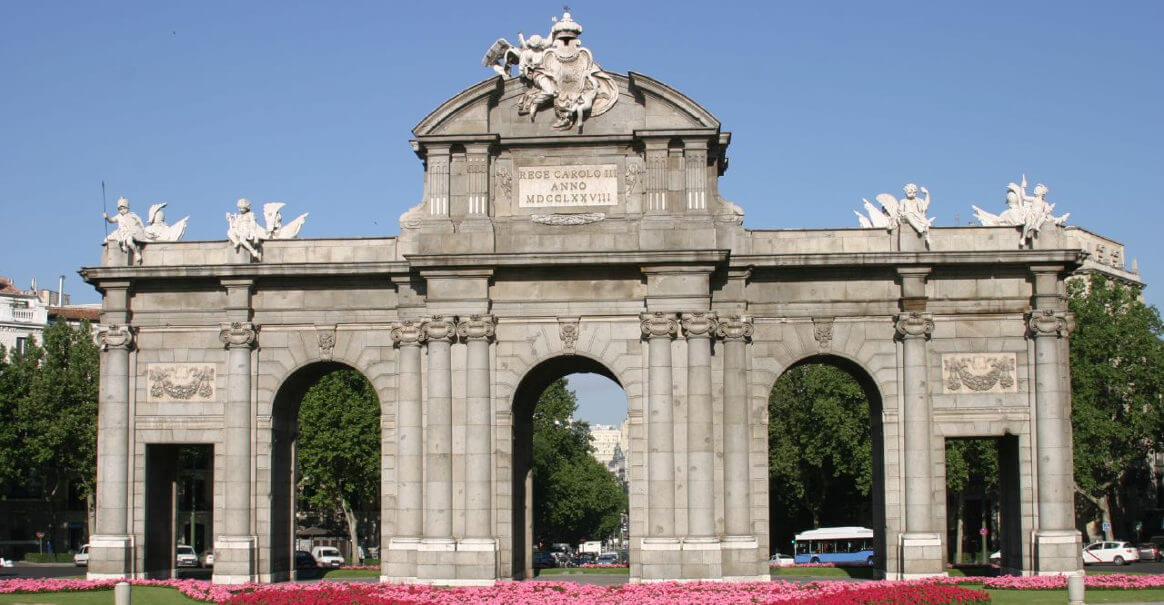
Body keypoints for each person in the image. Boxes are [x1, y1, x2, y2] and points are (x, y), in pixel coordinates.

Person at [103, 197, 149, 263]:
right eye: (120, 209)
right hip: (120, 233)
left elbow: (139, 224)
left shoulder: (131, 215)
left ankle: (136, 253)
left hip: (129, 232)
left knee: (130, 242)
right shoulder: (118, 216)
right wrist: (107, 217)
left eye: (124, 208)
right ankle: (121, 245)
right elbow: (111, 220)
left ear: (127, 208)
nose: (122, 210)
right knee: (107, 239)